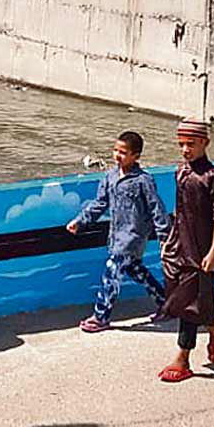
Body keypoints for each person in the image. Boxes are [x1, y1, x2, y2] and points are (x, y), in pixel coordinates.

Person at [66, 130, 172, 333]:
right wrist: (80, 221)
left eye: (123, 152)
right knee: (137, 271)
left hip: (132, 237)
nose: (117, 155)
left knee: (111, 273)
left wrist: (164, 236)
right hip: (115, 236)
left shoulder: (143, 180)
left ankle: (101, 316)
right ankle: (167, 304)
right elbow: (100, 203)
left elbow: (156, 208)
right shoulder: (110, 176)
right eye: (115, 150)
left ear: (136, 155)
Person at [157, 118, 214, 383]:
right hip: (180, 247)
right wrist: (169, 240)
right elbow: (179, 211)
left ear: (205, 143)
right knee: (189, 301)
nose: (185, 149)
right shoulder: (181, 172)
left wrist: (213, 253)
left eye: (191, 144)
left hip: (201, 253)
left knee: (189, 304)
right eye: (181, 144)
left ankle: (183, 358)